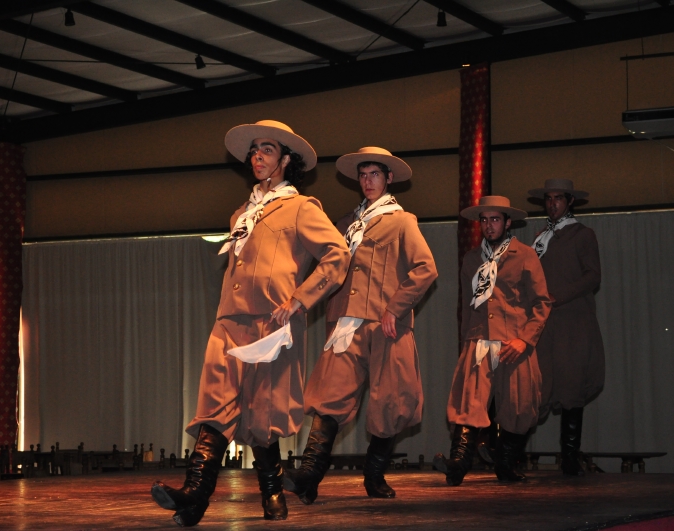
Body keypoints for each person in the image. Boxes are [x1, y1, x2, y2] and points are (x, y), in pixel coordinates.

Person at [151, 120, 351, 524]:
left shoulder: (301, 208)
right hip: (229, 321)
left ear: (286, 160)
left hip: (271, 323)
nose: (257, 156)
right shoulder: (241, 214)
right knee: (215, 404)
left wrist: (300, 299)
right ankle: (195, 492)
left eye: (267, 150)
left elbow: (337, 254)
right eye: (254, 150)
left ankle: (271, 493)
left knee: (262, 412)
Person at [285, 147, 438, 504]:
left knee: (392, 401)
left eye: (375, 174)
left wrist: (395, 309)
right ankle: (309, 475)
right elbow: (328, 269)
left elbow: (425, 269)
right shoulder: (344, 225)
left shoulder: (401, 221)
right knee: (328, 396)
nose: (368, 181)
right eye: (363, 175)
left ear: (389, 178)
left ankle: (374, 475)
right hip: (346, 323)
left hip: (386, 325)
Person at [434, 195, 551, 484]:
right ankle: (458, 465)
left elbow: (542, 303)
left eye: (495, 219)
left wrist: (525, 340)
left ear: (508, 222)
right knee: (468, 404)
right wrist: (466, 342)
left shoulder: (525, 255)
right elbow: (466, 305)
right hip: (479, 341)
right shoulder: (472, 259)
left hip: (514, 342)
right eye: (484, 220)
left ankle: (506, 465)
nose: (489, 225)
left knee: (519, 406)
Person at [529, 178, 604, 476]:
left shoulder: (582, 235)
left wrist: (558, 295)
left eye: (558, 198)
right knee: (536, 384)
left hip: (573, 322)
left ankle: (570, 458)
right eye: (548, 199)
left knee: (572, 386)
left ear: (570, 201)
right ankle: (507, 449)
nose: (552, 204)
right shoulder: (540, 239)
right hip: (545, 324)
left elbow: (593, 276)